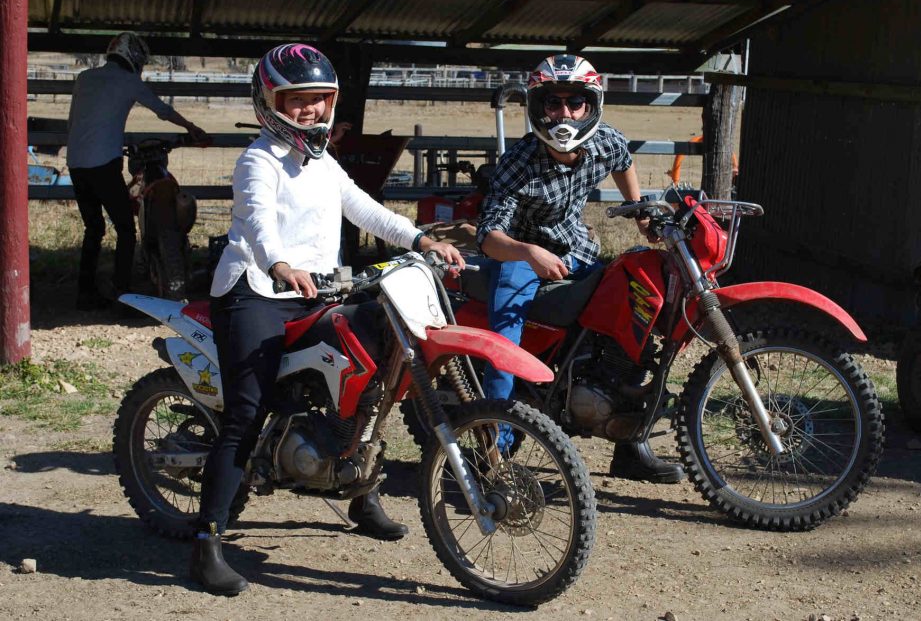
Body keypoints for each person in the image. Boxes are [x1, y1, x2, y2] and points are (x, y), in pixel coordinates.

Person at [191, 43, 464, 596]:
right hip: (257, 291)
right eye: (298, 100)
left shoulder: (321, 161)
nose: (311, 110)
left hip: (314, 289)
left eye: (320, 99)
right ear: (271, 102)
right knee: (248, 409)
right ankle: (207, 542)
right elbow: (258, 221)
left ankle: (361, 494)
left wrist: (420, 238)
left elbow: (365, 208)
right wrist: (279, 263)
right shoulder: (259, 159)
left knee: (369, 381)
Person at [474, 54, 684, 484]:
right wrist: (529, 252)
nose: (564, 114)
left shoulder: (604, 140)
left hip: (577, 247)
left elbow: (623, 160)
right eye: (553, 103)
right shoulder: (520, 161)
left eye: (575, 104)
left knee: (634, 316)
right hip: (519, 256)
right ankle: (494, 453)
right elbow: (488, 237)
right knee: (505, 345)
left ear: (591, 106)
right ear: (537, 106)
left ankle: (630, 442)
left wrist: (641, 212)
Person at [65, 31, 208, 310]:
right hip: (103, 164)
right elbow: (162, 110)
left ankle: (85, 293)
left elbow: (73, 121)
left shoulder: (84, 78)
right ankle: (123, 294)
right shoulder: (129, 81)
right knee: (126, 229)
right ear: (134, 58)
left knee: (93, 228)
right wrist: (192, 128)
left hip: (76, 164)